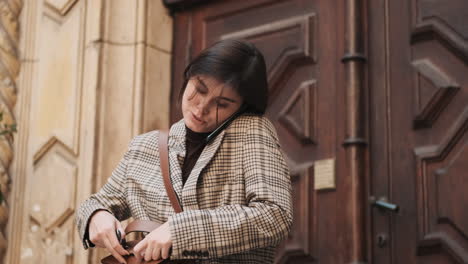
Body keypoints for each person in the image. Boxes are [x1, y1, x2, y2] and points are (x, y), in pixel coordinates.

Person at [75, 39, 292, 263]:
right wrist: (96, 217)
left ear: (242, 107)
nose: (201, 107)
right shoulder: (144, 146)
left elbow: (275, 215)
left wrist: (180, 231)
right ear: (188, 76)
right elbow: (96, 202)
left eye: (222, 103)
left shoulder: (251, 131)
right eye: (199, 89)